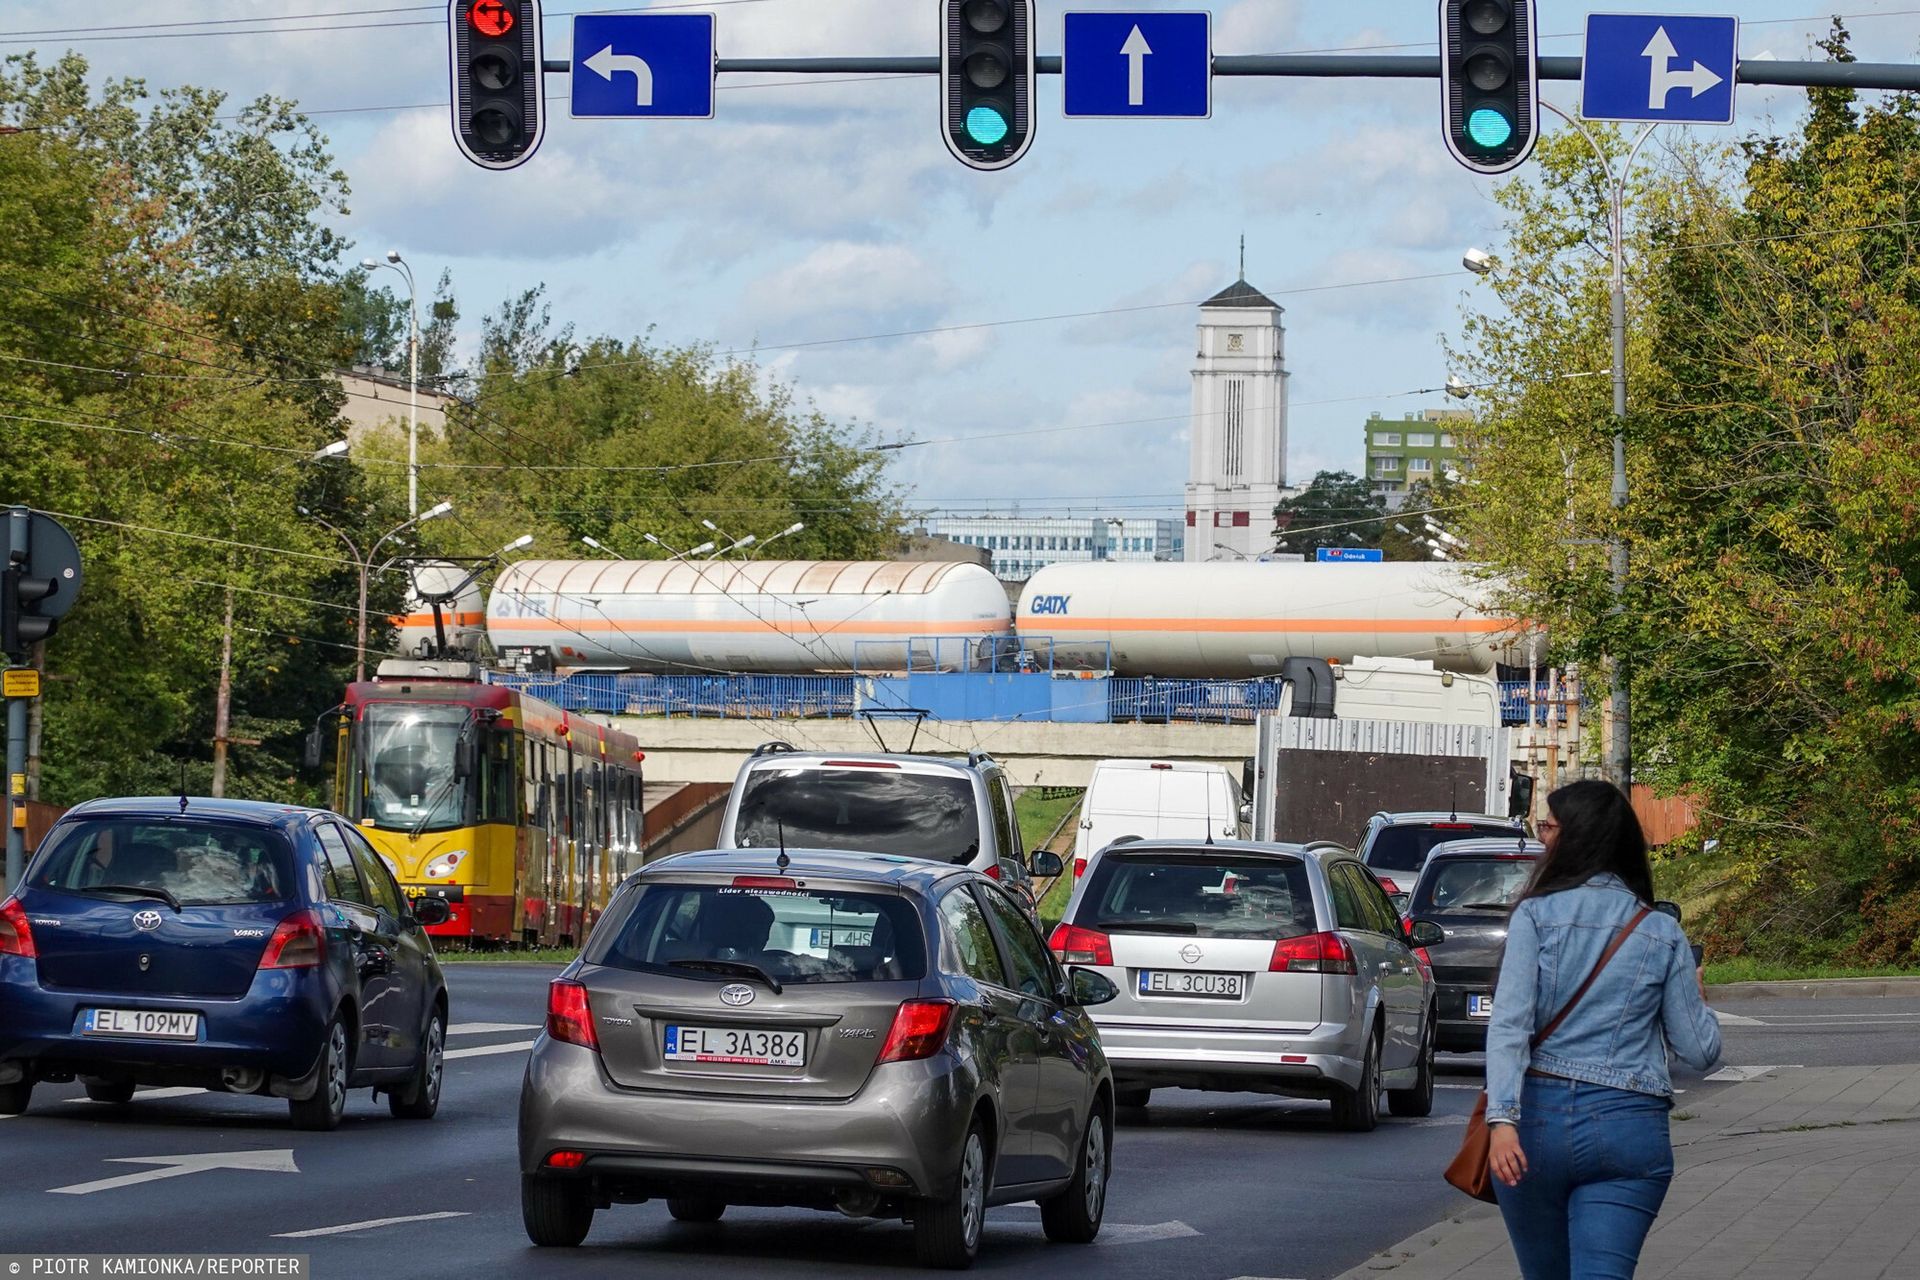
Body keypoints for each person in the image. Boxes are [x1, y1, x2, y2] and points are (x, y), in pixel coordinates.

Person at [1485, 780, 1721, 1280]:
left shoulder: (1534, 915)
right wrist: (1699, 1000)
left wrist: (1502, 1122)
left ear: (1576, 837)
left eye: (1548, 827)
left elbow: (1509, 1025)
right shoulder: (1661, 930)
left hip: (1535, 1129)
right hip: (1628, 1130)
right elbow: (1699, 1051)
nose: (1542, 839)